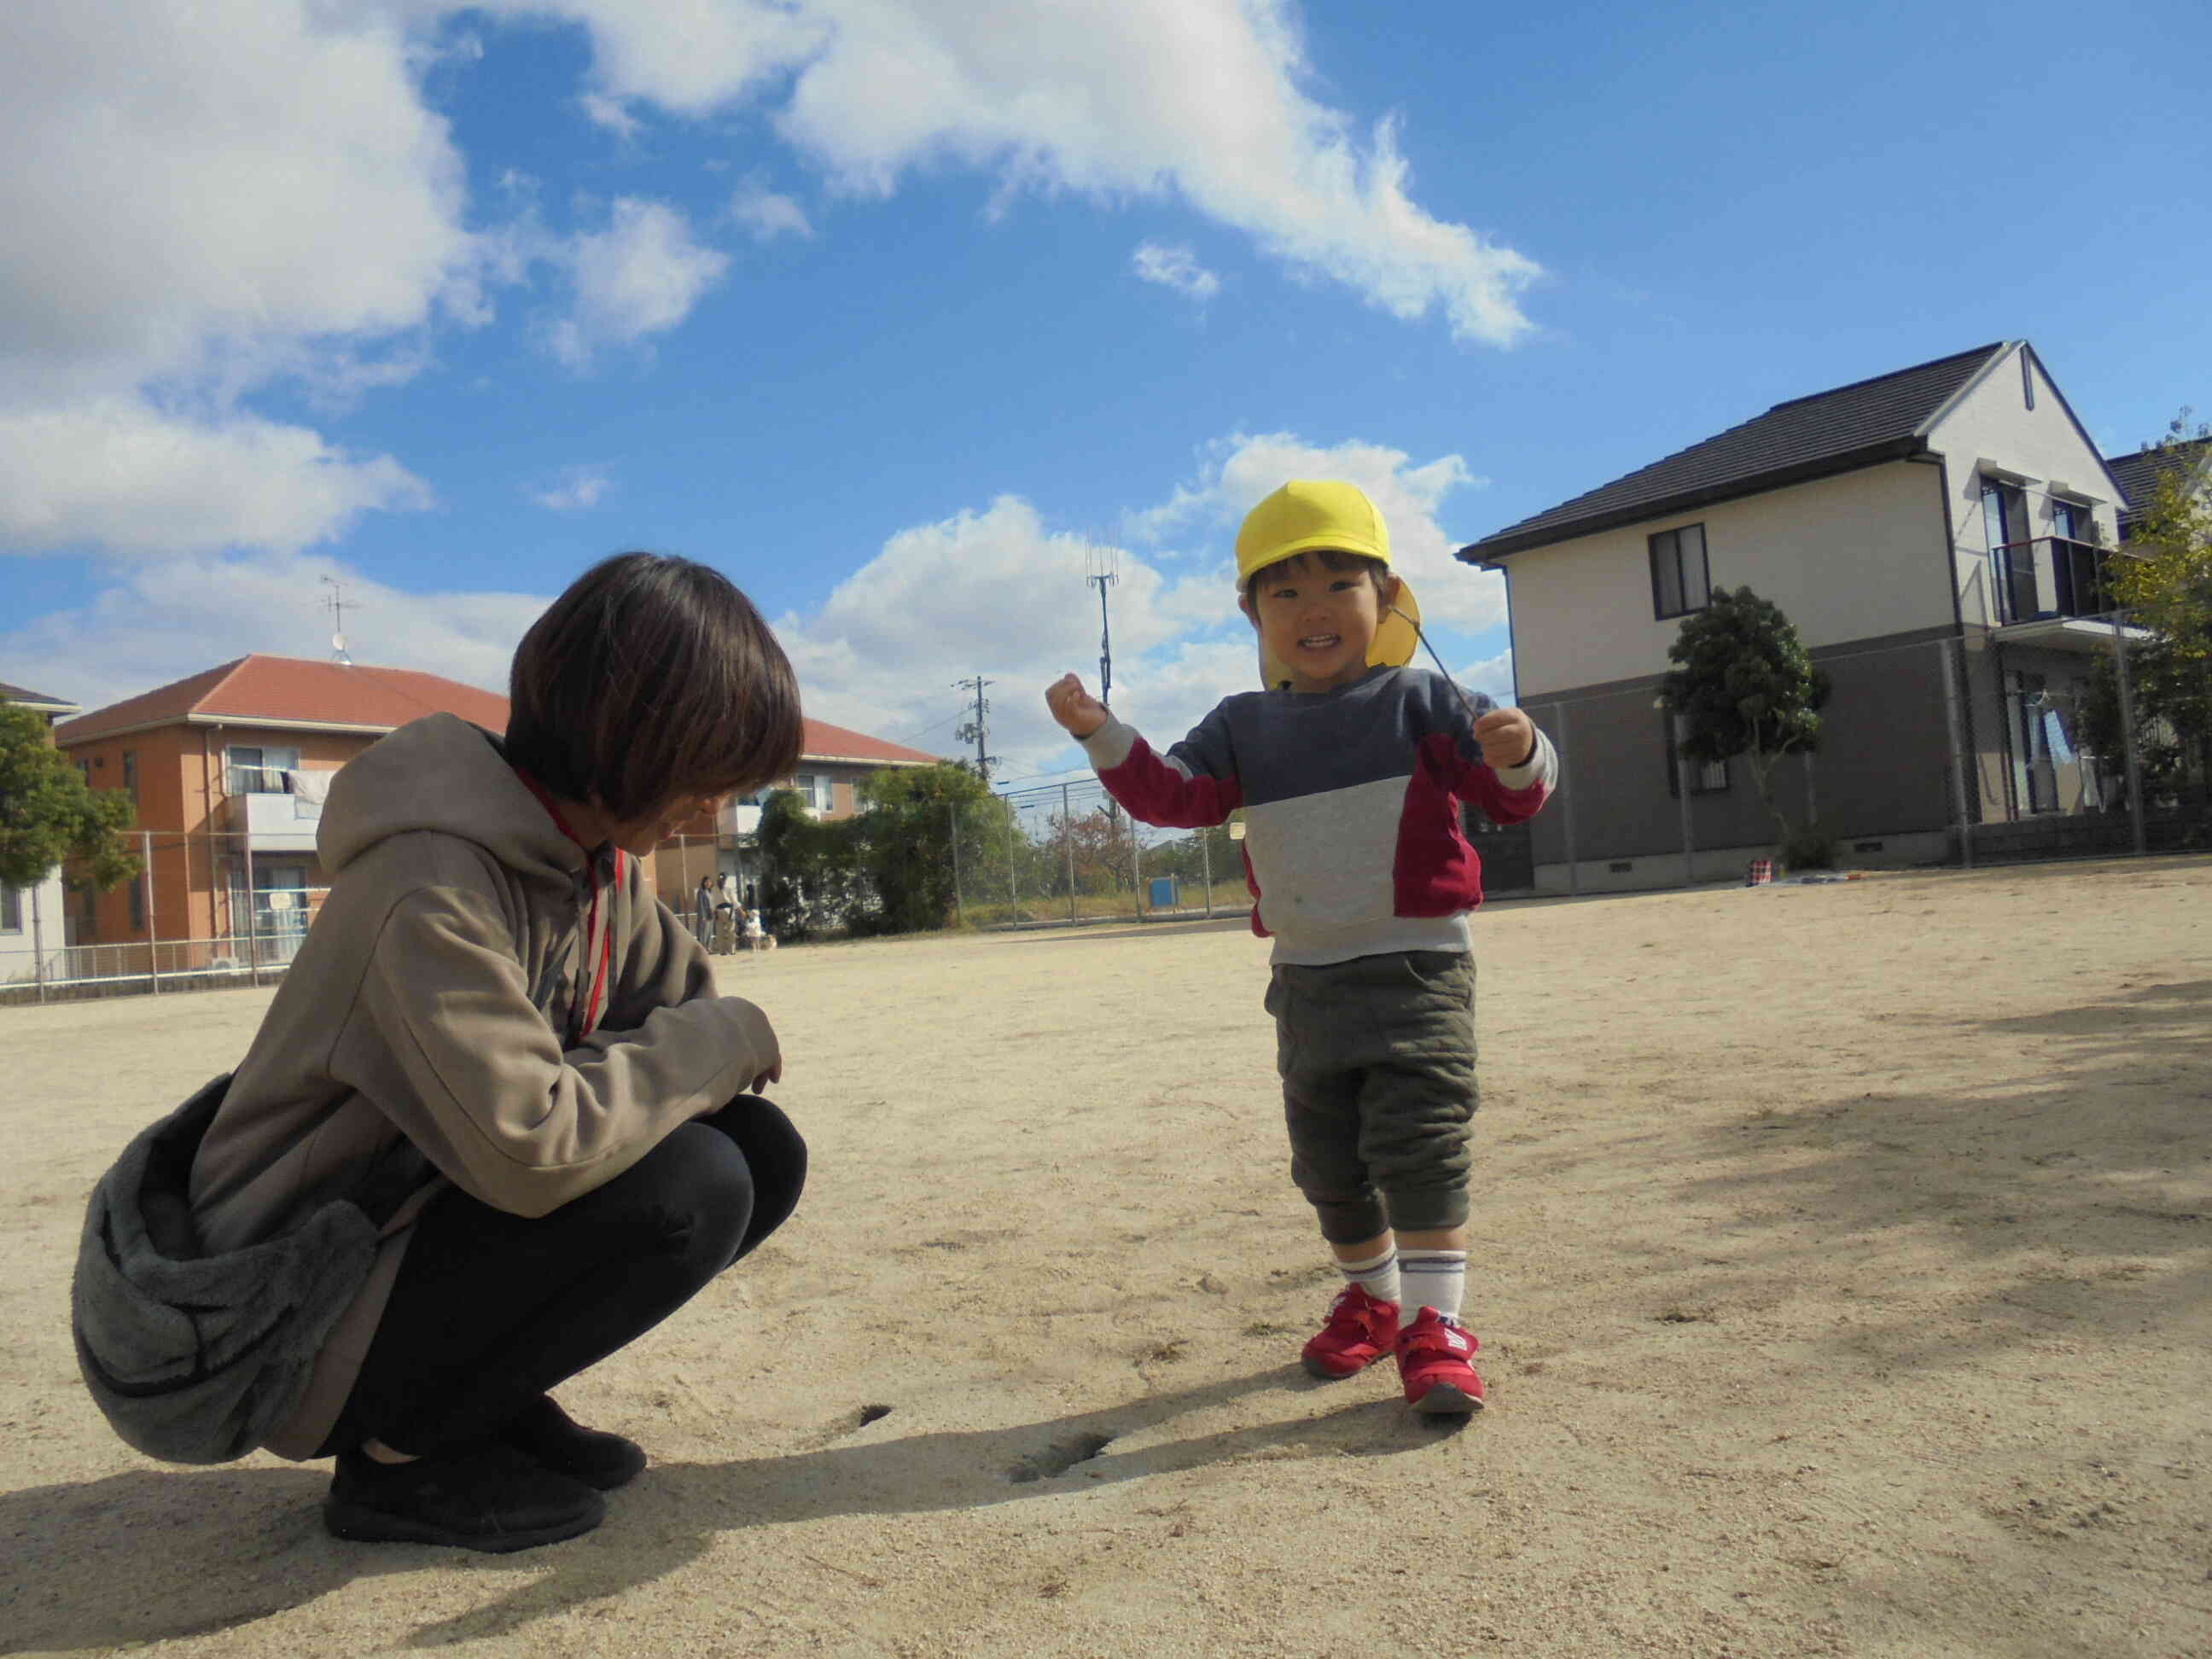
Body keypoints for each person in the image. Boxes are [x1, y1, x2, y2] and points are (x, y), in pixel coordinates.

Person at [185, 551, 807, 1550]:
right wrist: (714, 1041)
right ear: (634, 740)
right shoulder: (427, 883)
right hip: (280, 1311)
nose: (713, 810)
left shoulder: (590, 865)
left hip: (402, 1236)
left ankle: (480, 1403)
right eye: (708, 776)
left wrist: (691, 1047)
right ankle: (400, 1460)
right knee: (692, 1179)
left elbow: (678, 1008)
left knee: (754, 1146)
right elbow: (533, 1145)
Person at [1045, 480, 1557, 1416]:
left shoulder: (1425, 702)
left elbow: (1515, 793)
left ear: (1388, 596)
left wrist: (1521, 748)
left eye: (1338, 584)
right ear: (1252, 611)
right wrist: (1100, 733)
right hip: (1305, 980)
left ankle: (1437, 1328)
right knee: (1327, 1164)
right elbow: (1173, 796)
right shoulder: (1244, 723)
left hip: (1419, 969)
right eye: (1285, 592)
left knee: (1422, 1145)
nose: (1313, 611)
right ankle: (1374, 1296)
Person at [694, 875, 717, 946]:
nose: (708, 883)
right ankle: (702, 948)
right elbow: (700, 904)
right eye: (706, 882)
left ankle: (708, 947)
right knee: (703, 932)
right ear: (703, 883)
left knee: (709, 931)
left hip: (711, 914)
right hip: (704, 915)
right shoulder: (701, 892)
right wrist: (702, 915)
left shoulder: (710, 892)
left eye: (709, 882)